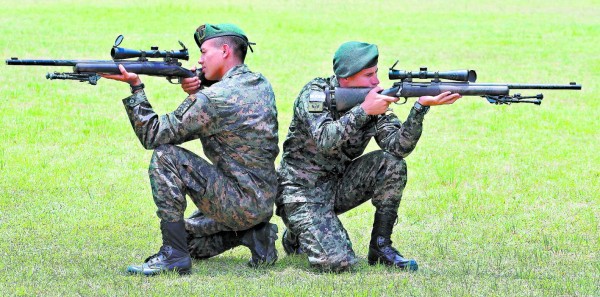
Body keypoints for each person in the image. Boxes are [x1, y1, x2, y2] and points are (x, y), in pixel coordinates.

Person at [102, 23, 279, 276]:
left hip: (239, 201)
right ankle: (254, 233)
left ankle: (173, 257)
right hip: (261, 198)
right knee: (191, 242)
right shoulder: (259, 83)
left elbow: (153, 134)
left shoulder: (213, 99)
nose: (199, 59)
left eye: (205, 52)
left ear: (225, 50)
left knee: (166, 156)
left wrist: (136, 88)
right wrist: (201, 86)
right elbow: (231, 109)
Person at [276, 41, 461, 272]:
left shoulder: (374, 99)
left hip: (338, 185)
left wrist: (420, 107)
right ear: (346, 78)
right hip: (301, 191)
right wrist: (364, 110)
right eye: (368, 75)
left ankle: (381, 247)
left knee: (391, 164)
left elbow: (397, 148)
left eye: (376, 72)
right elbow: (325, 139)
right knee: (338, 264)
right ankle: (297, 230)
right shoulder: (315, 94)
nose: (376, 81)